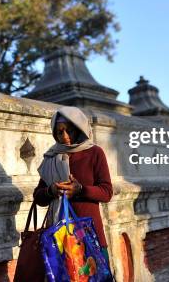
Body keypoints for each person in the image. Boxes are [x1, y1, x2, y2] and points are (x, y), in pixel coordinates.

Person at [33, 106, 113, 266]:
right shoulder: (51, 157)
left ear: (79, 129)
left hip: (88, 234)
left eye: (69, 131)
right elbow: (38, 197)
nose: (65, 136)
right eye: (59, 132)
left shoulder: (94, 153)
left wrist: (81, 189)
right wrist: (51, 191)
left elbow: (106, 192)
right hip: (58, 235)